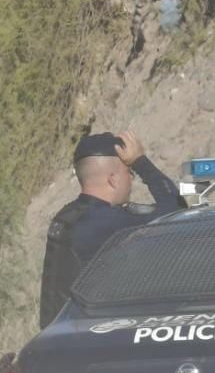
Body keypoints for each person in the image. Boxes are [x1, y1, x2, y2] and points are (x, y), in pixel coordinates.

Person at [39, 130, 186, 328]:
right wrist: (141, 161)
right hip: (87, 340)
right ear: (113, 179)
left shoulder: (67, 216)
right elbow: (176, 212)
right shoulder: (105, 221)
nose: (131, 179)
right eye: (129, 172)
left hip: (60, 336)